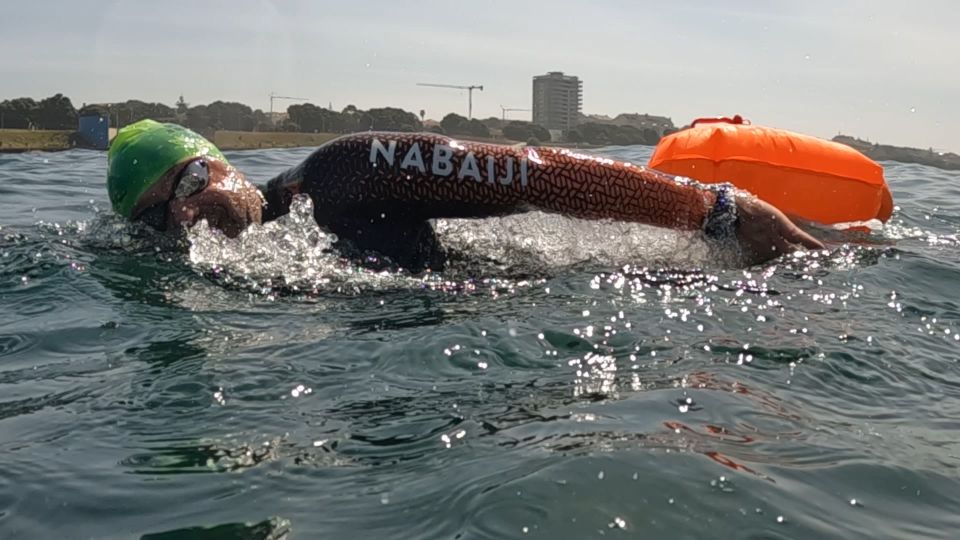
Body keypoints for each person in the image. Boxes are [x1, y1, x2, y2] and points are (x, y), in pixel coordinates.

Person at [107, 120, 823, 270]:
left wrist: (718, 213)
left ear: (223, 165)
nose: (187, 212)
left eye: (192, 181)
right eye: (158, 216)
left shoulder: (345, 173)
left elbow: (533, 172)